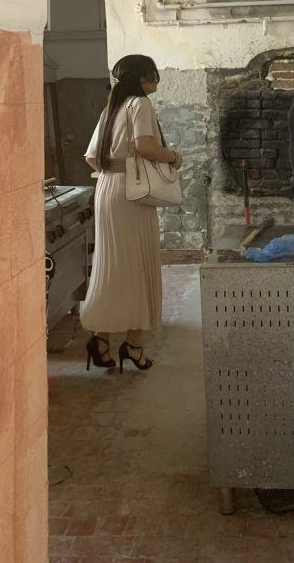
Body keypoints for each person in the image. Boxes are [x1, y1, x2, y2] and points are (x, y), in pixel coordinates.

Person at [82, 55, 183, 372]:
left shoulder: (111, 109)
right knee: (138, 267)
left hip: (107, 189)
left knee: (114, 267)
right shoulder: (140, 104)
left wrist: (116, 168)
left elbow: (91, 158)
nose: (156, 79)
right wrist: (174, 157)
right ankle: (133, 346)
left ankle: (101, 340)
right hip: (132, 194)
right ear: (144, 77)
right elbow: (145, 146)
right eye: (153, 73)